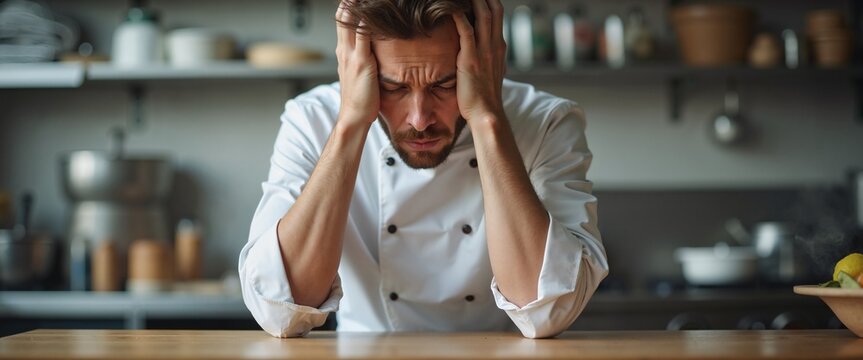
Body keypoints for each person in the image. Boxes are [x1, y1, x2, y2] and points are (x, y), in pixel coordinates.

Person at [239, 0, 608, 339]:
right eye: (393, 87)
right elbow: (278, 312)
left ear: (485, 61)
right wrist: (351, 123)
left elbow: (550, 311)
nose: (419, 119)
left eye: (445, 84)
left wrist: (487, 118)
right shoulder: (312, 120)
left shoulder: (547, 123)